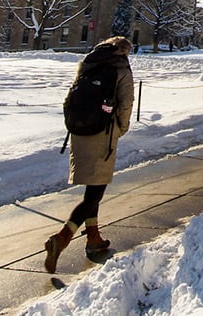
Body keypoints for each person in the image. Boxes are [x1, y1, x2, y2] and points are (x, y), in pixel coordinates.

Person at [44, 36, 135, 273]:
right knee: (95, 193)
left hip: (79, 131)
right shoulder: (121, 69)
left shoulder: (88, 63)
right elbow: (125, 104)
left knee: (91, 187)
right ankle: (62, 238)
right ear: (124, 52)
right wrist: (121, 129)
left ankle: (93, 238)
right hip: (103, 132)